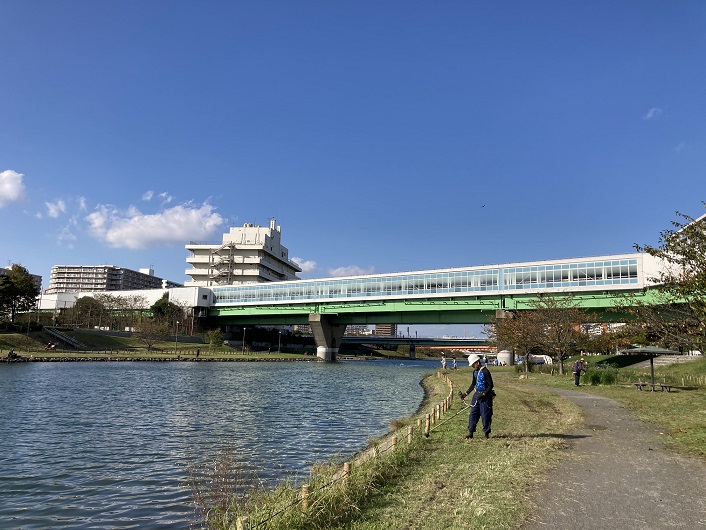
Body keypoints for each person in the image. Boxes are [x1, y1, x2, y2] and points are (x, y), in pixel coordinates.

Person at [460, 353, 495, 439]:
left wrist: (484, 394)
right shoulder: (475, 372)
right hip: (477, 395)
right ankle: (471, 432)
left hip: (485, 396)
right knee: (473, 414)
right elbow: (473, 384)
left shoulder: (485, 371)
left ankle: (486, 434)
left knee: (485, 415)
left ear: (477, 363)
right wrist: (465, 394)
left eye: (473, 365)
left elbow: (490, 385)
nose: (472, 367)